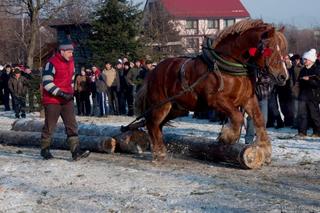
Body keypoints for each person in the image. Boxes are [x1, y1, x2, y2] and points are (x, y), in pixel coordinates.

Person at [40, 39, 90, 160]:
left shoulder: (71, 62)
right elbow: (46, 82)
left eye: (72, 52)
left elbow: (72, 78)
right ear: (62, 51)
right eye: (69, 52)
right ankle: (45, 149)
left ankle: (75, 151)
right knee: (50, 126)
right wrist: (61, 93)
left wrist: (71, 92)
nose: (71, 54)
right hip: (52, 100)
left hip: (67, 99)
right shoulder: (51, 63)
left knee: (72, 125)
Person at [245, 69, 273, 144]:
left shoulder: (265, 69)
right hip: (252, 97)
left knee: (264, 119)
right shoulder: (251, 68)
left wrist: (259, 79)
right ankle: (248, 140)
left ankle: (260, 139)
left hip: (263, 97)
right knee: (251, 118)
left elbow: (269, 79)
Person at [296, 49, 320, 137]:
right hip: (303, 95)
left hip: (313, 96)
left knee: (314, 115)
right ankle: (302, 132)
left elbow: (318, 83)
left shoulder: (317, 69)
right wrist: (301, 81)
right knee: (302, 115)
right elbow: (298, 81)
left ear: (311, 60)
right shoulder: (302, 70)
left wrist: (309, 80)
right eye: (304, 59)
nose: (304, 61)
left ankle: (317, 132)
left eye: (306, 59)